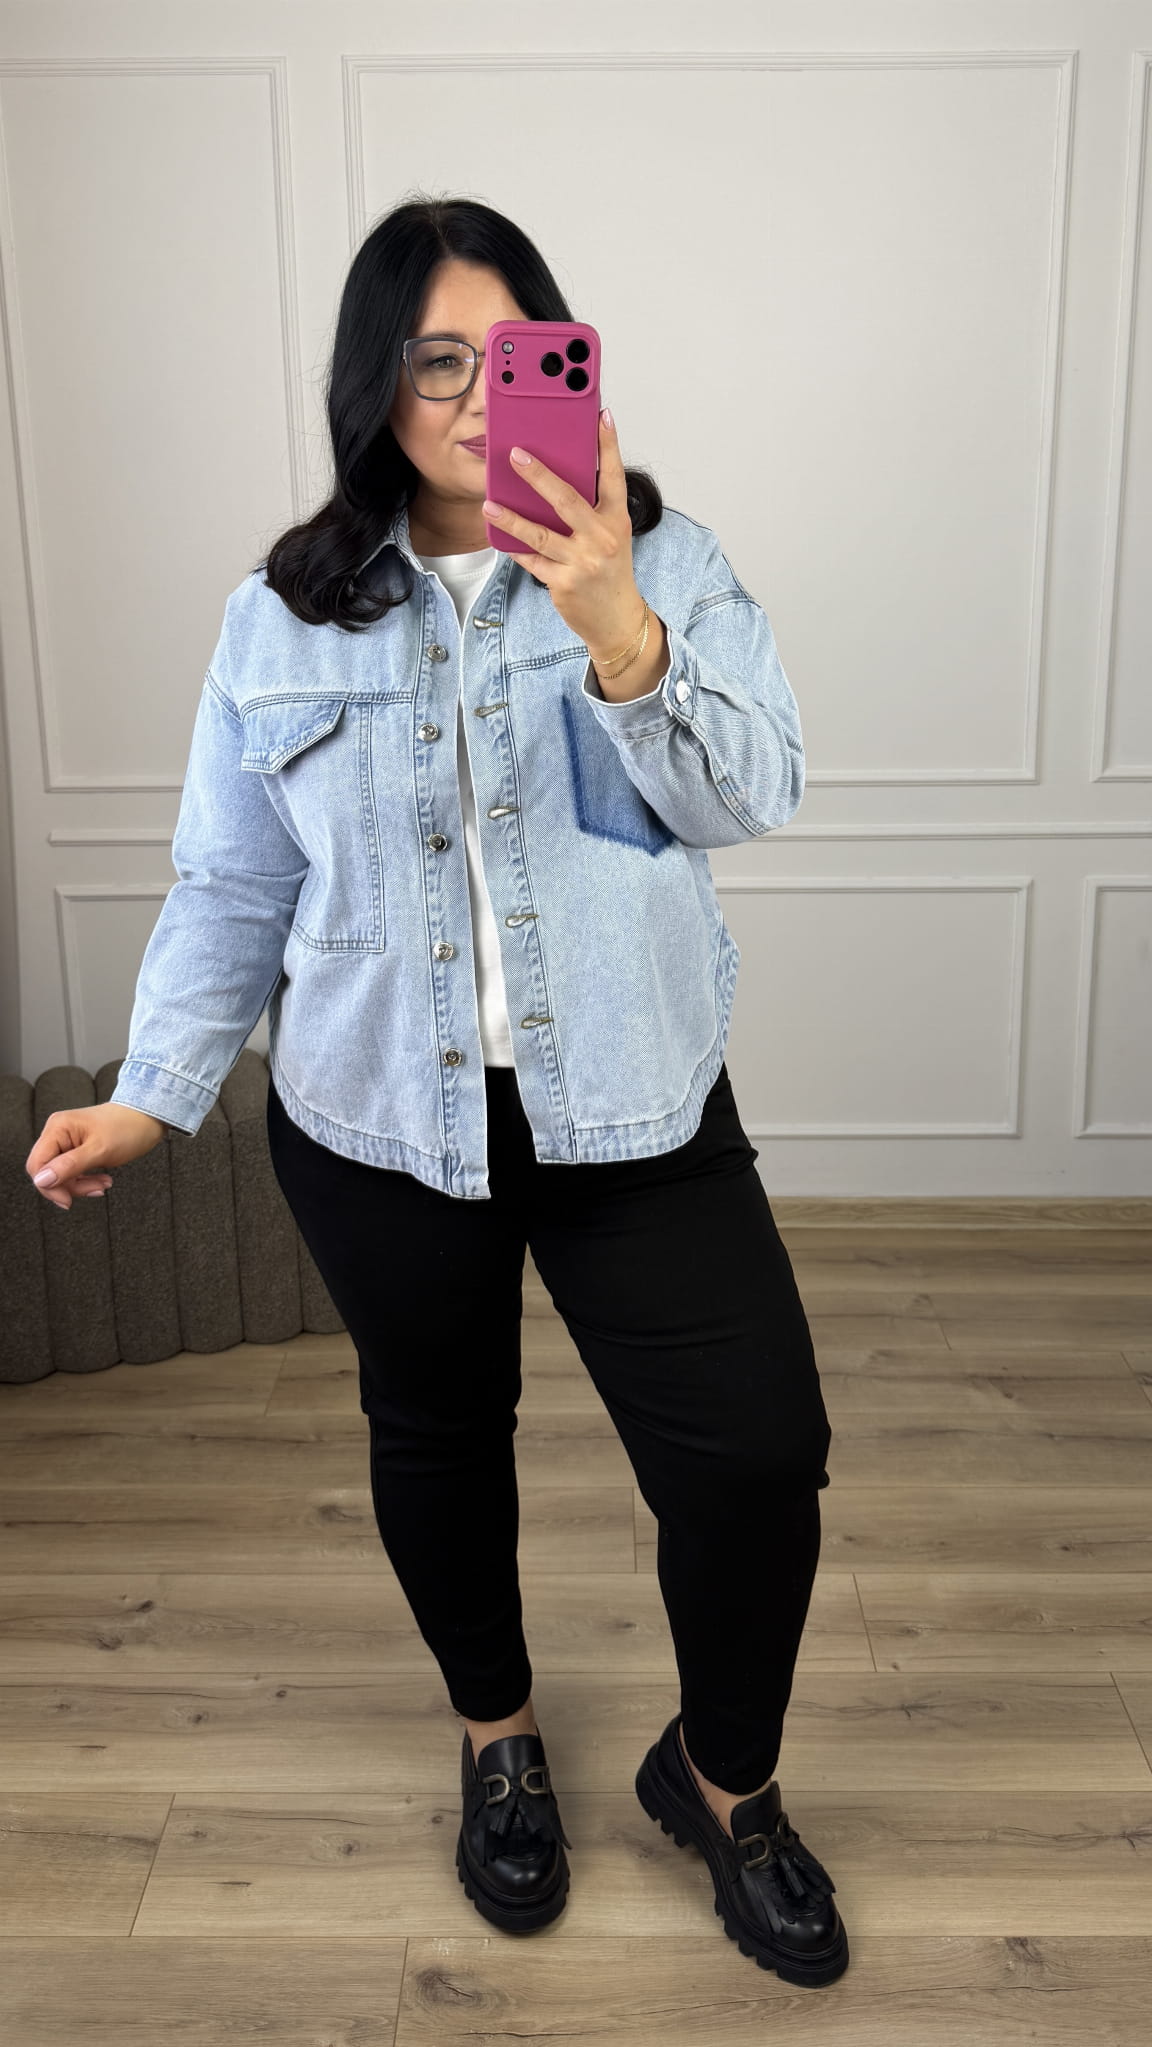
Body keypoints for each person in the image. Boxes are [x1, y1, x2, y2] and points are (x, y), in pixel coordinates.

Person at [24, 195, 847, 1988]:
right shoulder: (281, 615)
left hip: (635, 1114)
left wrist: (619, 625)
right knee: (439, 1434)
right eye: (435, 362)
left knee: (757, 1456)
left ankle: (724, 1781)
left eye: (515, 352)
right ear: (375, 390)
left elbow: (755, 792)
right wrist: (156, 1092)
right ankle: (499, 1739)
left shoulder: (668, 560)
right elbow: (234, 881)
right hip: (380, 1124)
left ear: (574, 363)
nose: (478, 397)